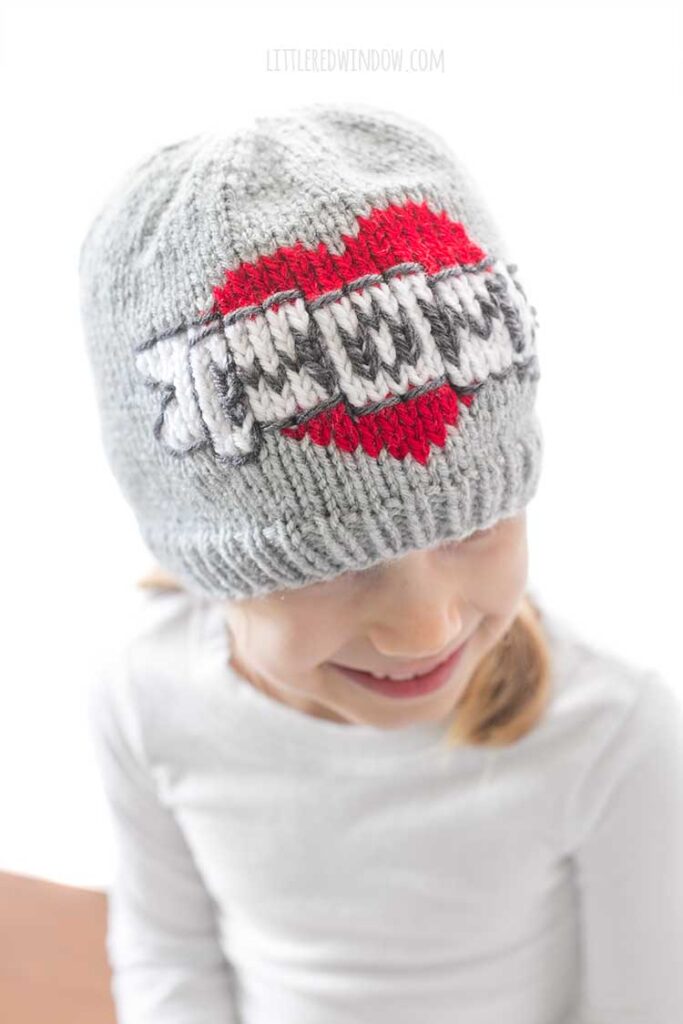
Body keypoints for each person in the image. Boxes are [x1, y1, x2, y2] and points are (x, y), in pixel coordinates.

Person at [79, 102, 683, 1024]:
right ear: (213, 568)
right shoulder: (147, 696)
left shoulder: (608, 732)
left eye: (470, 526)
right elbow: (167, 960)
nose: (424, 626)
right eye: (329, 563)